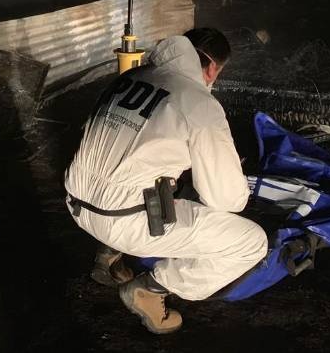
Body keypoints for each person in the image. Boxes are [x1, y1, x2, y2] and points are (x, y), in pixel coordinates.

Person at [64, 28, 268, 334]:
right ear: (213, 68)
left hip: (77, 205)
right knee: (251, 243)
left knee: (143, 173)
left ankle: (107, 254)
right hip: (124, 222)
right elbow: (227, 200)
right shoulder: (198, 102)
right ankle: (151, 288)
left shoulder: (127, 79)